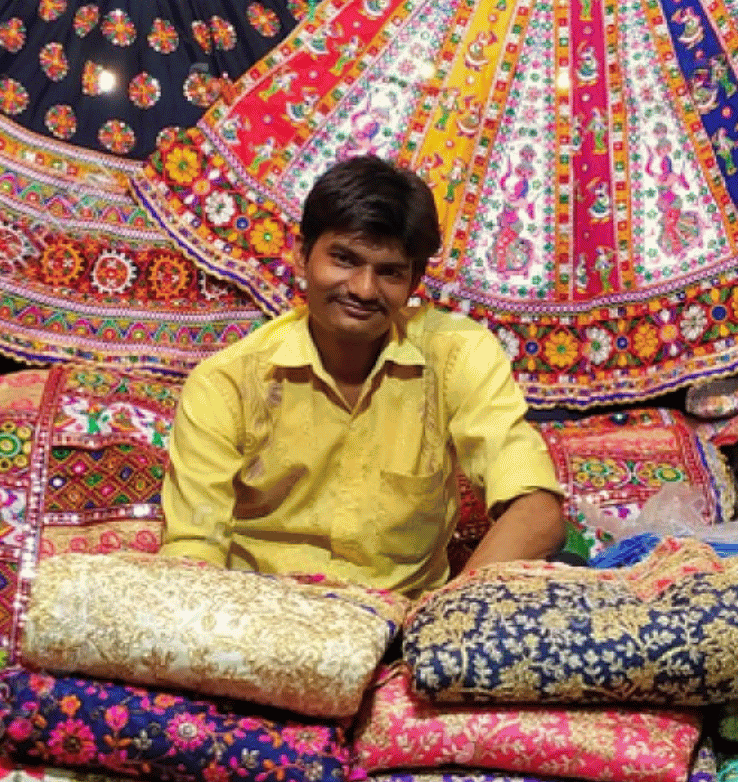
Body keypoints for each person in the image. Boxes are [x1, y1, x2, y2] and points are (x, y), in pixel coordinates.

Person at [159, 156, 566, 596]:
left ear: (413, 283)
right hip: (263, 621)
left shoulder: (456, 356)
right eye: (344, 259)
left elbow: (536, 510)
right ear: (301, 255)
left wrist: (445, 615)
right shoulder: (226, 384)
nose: (363, 289)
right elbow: (192, 555)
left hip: (405, 626)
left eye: (389, 272)